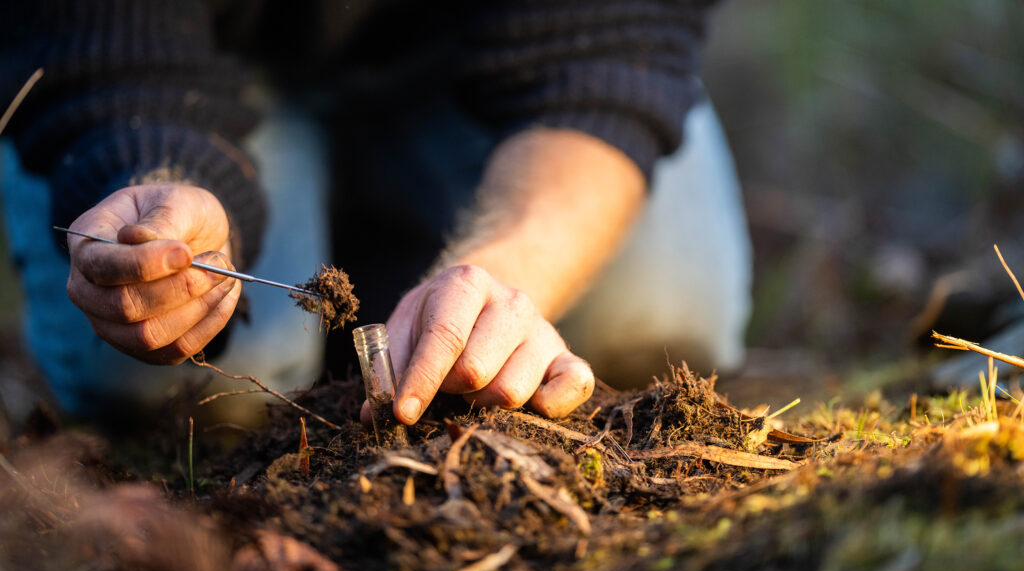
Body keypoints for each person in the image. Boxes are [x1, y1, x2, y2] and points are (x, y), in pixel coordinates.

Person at [0, 1, 751, 425]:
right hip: (205, 80)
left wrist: (501, 272)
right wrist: (160, 182)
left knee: (656, 312)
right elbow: (110, 63)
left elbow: (602, 60)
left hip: (472, 68)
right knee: (199, 396)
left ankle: (387, 252)